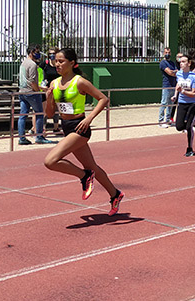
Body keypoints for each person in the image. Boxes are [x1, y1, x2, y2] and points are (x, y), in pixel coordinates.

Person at [42, 48, 124, 216]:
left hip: (80, 127)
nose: (56, 64)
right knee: (92, 166)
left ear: (71, 63)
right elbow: (49, 114)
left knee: (50, 161)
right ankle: (115, 194)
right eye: (55, 60)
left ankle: (84, 176)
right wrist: (49, 98)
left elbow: (103, 99)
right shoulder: (54, 84)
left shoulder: (79, 82)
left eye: (60, 61)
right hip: (66, 127)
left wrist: (89, 119)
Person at [18, 45, 56, 145]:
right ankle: (39, 136)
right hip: (32, 93)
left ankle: (21, 138)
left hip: (22, 91)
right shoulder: (33, 65)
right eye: (36, 52)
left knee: (23, 115)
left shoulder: (23, 63)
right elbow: (32, 82)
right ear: (31, 52)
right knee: (39, 113)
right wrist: (38, 90)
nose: (38, 54)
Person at [173, 55, 195, 156]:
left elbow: (194, 93)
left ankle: (189, 148)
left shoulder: (194, 77)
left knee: (188, 126)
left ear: (189, 63)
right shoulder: (179, 74)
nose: (181, 63)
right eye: (180, 61)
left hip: (192, 103)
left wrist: (183, 91)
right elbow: (178, 84)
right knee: (179, 126)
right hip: (182, 102)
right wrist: (175, 95)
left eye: (183, 62)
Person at [41, 47, 61, 134]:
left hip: (57, 89)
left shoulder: (59, 65)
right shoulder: (45, 64)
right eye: (50, 53)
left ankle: (56, 127)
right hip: (47, 89)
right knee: (45, 109)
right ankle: (43, 128)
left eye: (53, 53)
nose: (51, 55)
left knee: (56, 109)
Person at [158, 47, 178, 128]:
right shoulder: (163, 63)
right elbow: (169, 72)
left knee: (171, 103)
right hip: (166, 86)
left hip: (173, 85)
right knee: (164, 103)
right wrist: (173, 72)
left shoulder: (172, 63)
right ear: (163, 53)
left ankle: (168, 119)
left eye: (169, 52)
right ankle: (160, 120)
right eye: (166, 52)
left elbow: (177, 72)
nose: (167, 54)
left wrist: (174, 72)